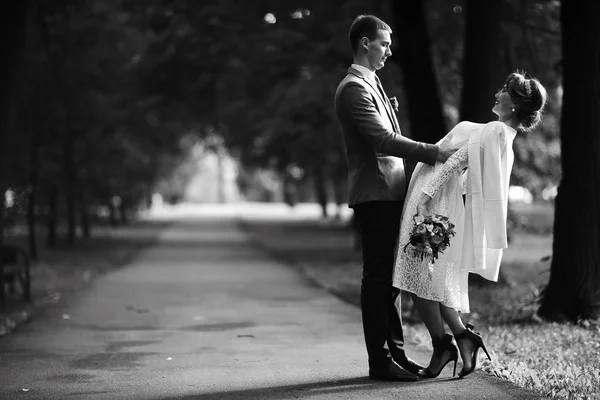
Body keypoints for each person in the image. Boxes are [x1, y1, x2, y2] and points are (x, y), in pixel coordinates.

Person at [392, 71, 547, 378]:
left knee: (416, 275)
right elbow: (468, 174)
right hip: (436, 195)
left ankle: (449, 342)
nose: (496, 94)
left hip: (430, 196)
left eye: (504, 90)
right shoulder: (502, 135)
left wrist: (425, 197)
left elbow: (454, 162)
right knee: (424, 278)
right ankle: (458, 339)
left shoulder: (495, 131)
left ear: (515, 104)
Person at [333, 15, 459, 382]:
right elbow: (382, 141)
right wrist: (434, 152)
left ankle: (397, 357)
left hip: (390, 193)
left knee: (392, 279)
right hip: (375, 195)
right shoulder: (353, 88)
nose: (390, 50)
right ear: (365, 43)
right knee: (377, 279)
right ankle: (380, 361)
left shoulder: (371, 83)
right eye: (385, 43)